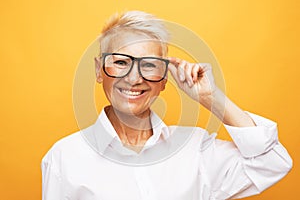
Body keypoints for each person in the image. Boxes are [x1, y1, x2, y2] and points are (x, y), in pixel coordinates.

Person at [41, 11, 292, 200]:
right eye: (120, 62)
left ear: (163, 79)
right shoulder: (64, 157)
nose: (133, 78)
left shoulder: (196, 149)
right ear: (99, 70)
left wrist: (210, 97)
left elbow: (273, 161)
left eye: (149, 65)